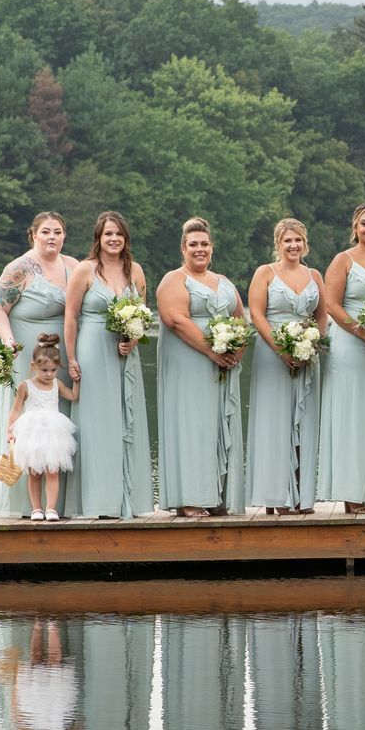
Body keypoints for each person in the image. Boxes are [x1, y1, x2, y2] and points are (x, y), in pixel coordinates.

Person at [62, 211, 153, 519]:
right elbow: (71, 316)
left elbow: (142, 315)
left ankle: (131, 499)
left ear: (125, 239)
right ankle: (98, 502)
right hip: (92, 349)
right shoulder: (85, 270)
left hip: (125, 354)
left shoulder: (136, 271)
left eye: (119, 234)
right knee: (97, 425)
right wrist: (72, 358)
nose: (114, 239)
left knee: (128, 420)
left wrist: (134, 340)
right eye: (108, 234)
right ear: (98, 239)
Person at [155, 216, 248, 517]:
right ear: (183, 248)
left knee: (218, 425)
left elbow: (240, 320)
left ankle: (217, 495)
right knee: (192, 425)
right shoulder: (174, 279)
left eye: (204, 244)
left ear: (212, 247)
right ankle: (190, 498)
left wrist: (235, 352)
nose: (200, 249)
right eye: (193, 244)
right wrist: (211, 351)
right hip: (189, 364)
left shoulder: (224, 282)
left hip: (221, 363)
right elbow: (176, 319)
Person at [0, 211, 73, 516]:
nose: (52, 237)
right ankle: (25, 504)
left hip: (62, 356)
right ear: (33, 235)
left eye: (58, 232)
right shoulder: (19, 269)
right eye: (46, 231)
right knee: (26, 423)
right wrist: (8, 341)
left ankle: (61, 503)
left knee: (59, 427)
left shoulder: (73, 266)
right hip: (27, 354)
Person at [317, 202, 365, 513]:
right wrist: (364, 333)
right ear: (355, 228)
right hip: (351, 348)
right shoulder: (343, 260)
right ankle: (353, 496)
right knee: (353, 419)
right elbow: (332, 306)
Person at [247, 218, 325, 514]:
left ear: (305, 244)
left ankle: (301, 496)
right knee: (275, 422)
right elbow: (256, 314)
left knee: (303, 423)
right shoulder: (265, 273)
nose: (293, 246)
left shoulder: (314, 275)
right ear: (278, 244)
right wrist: (281, 350)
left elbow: (321, 315)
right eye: (287, 241)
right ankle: (275, 496)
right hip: (272, 354)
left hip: (306, 355)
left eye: (298, 241)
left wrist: (312, 344)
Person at [6, 332, 80, 521]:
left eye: (53, 370)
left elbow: (72, 396)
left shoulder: (57, 384)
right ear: (34, 367)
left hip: (53, 434)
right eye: (45, 370)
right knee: (34, 473)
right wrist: (10, 431)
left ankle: (51, 509)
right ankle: (36, 509)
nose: (49, 374)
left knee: (53, 472)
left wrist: (77, 382)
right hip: (31, 434)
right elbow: (15, 410)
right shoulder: (25, 386)